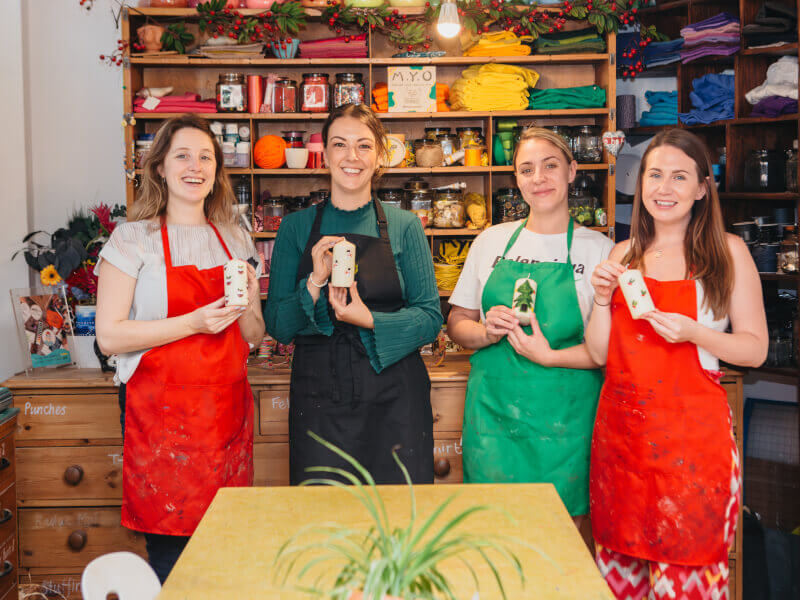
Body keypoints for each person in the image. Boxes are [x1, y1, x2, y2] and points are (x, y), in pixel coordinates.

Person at [585, 129, 768, 599]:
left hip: (694, 453)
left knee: (687, 584)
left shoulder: (729, 252)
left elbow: (754, 349)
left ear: (703, 188)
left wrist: (695, 333)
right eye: (655, 175)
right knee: (620, 584)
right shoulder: (622, 255)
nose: (664, 189)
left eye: (680, 177)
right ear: (641, 182)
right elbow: (600, 354)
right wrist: (602, 300)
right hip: (622, 448)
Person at [95, 115, 264, 582]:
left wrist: (250, 296)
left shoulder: (234, 237)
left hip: (226, 416)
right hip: (163, 421)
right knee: (175, 562)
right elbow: (109, 337)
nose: (196, 166)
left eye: (206, 157)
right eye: (183, 156)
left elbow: (253, 335)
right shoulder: (133, 239)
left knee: (226, 554)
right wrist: (192, 322)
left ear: (217, 170)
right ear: (160, 169)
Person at [447, 127, 613, 543]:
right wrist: (486, 331)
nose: (538, 178)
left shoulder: (602, 250)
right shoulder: (490, 242)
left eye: (550, 165)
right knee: (492, 540)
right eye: (527, 169)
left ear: (573, 171)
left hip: (567, 425)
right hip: (494, 421)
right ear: (516, 179)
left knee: (564, 542)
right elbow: (457, 323)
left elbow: (607, 351)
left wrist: (548, 355)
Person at [264, 103, 442, 485]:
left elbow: (430, 317)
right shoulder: (295, 228)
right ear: (325, 154)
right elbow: (278, 325)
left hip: (396, 395)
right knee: (324, 524)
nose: (352, 156)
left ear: (378, 156)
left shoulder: (404, 225)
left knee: (400, 520)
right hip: (319, 398)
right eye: (340, 144)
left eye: (364, 146)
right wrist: (314, 282)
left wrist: (369, 319)